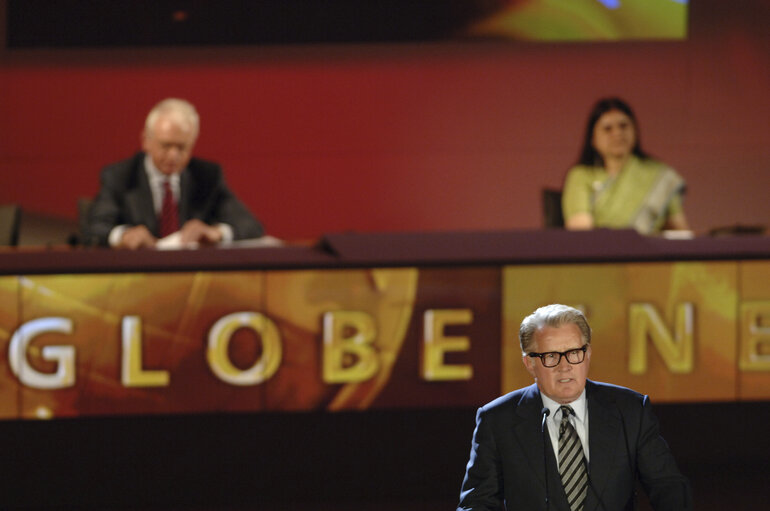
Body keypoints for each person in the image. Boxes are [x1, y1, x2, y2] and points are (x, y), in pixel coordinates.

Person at [457, 304, 691, 510]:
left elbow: (667, 487)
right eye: (551, 356)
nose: (565, 366)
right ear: (529, 363)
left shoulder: (630, 410)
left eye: (573, 353)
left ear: (588, 354)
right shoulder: (497, 420)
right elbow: (476, 503)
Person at [85, 98, 263, 249]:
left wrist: (216, 232)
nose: (173, 155)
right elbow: (93, 228)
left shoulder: (207, 175)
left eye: (182, 147)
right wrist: (123, 236)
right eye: (166, 145)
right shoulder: (119, 176)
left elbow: (251, 225)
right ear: (146, 141)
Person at [561, 97, 689, 235]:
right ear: (593, 139)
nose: (617, 133)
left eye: (623, 126)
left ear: (635, 131)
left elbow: (681, 233)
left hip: (649, 254)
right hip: (600, 253)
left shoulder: (659, 175)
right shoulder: (581, 175)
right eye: (607, 129)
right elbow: (581, 233)